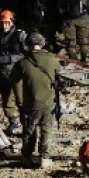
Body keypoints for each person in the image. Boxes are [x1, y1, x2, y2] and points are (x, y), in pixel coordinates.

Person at [11, 32, 61, 169]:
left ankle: (27, 157)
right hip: (49, 101)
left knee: (29, 130)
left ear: (27, 45)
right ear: (43, 44)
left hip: (30, 102)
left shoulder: (22, 63)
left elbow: (14, 81)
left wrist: (19, 101)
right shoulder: (52, 59)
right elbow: (59, 76)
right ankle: (44, 158)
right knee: (46, 129)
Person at [0, 9, 28, 134]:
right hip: (1, 73)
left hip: (17, 73)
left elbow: (27, 53)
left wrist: (11, 58)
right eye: (2, 23)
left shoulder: (20, 35)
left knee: (21, 100)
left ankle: (26, 125)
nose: (4, 26)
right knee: (6, 99)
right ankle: (13, 122)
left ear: (12, 22)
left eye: (7, 23)